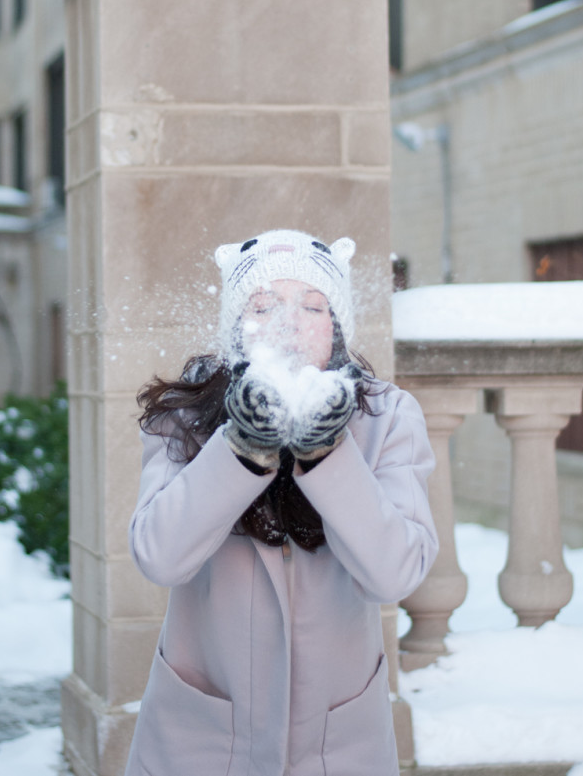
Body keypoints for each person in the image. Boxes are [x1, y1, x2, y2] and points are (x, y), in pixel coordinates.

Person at [124, 229, 438, 776]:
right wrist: (239, 450)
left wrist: (327, 455)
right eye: (263, 306)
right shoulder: (186, 414)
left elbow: (395, 574)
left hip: (338, 747)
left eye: (312, 306)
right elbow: (159, 555)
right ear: (235, 331)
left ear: (336, 328)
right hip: (201, 741)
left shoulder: (387, 417)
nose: (288, 323)